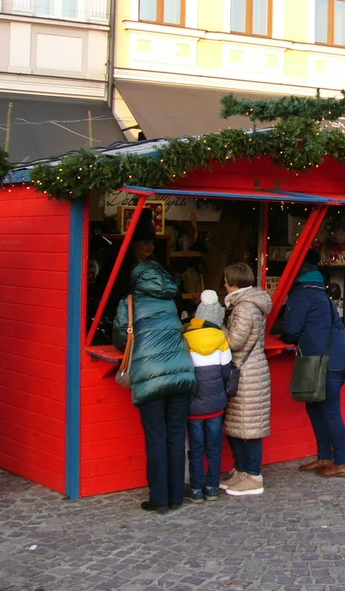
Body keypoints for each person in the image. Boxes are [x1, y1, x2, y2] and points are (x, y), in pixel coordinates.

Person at [113, 214, 197, 514]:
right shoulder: (170, 300)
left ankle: (160, 500)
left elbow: (123, 341)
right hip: (182, 375)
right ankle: (177, 496)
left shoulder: (130, 302)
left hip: (150, 378)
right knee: (176, 437)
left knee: (156, 439)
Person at [282, 249, 345, 478]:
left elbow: (290, 331)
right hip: (341, 359)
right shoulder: (322, 294)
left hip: (326, 362)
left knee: (329, 410)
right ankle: (325, 457)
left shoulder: (301, 295)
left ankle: (342, 462)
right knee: (314, 406)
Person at [220, 263, 273, 496]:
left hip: (247, 372)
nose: (223, 285)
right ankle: (243, 471)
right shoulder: (250, 303)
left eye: (225, 281)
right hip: (250, 370)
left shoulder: (244, 307)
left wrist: (217, 327)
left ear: (233, 283)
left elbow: (234, 342)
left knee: (249, 427)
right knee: (240, 424)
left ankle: (253, 475)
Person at [184, 290, 232, 503]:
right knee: (214, 447)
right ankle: (212, 487)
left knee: (195, 448)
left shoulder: (185, 339)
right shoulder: (222, 339)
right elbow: (226, 373)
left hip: (193, 405)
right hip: (215, 405)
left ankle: (196, 489)